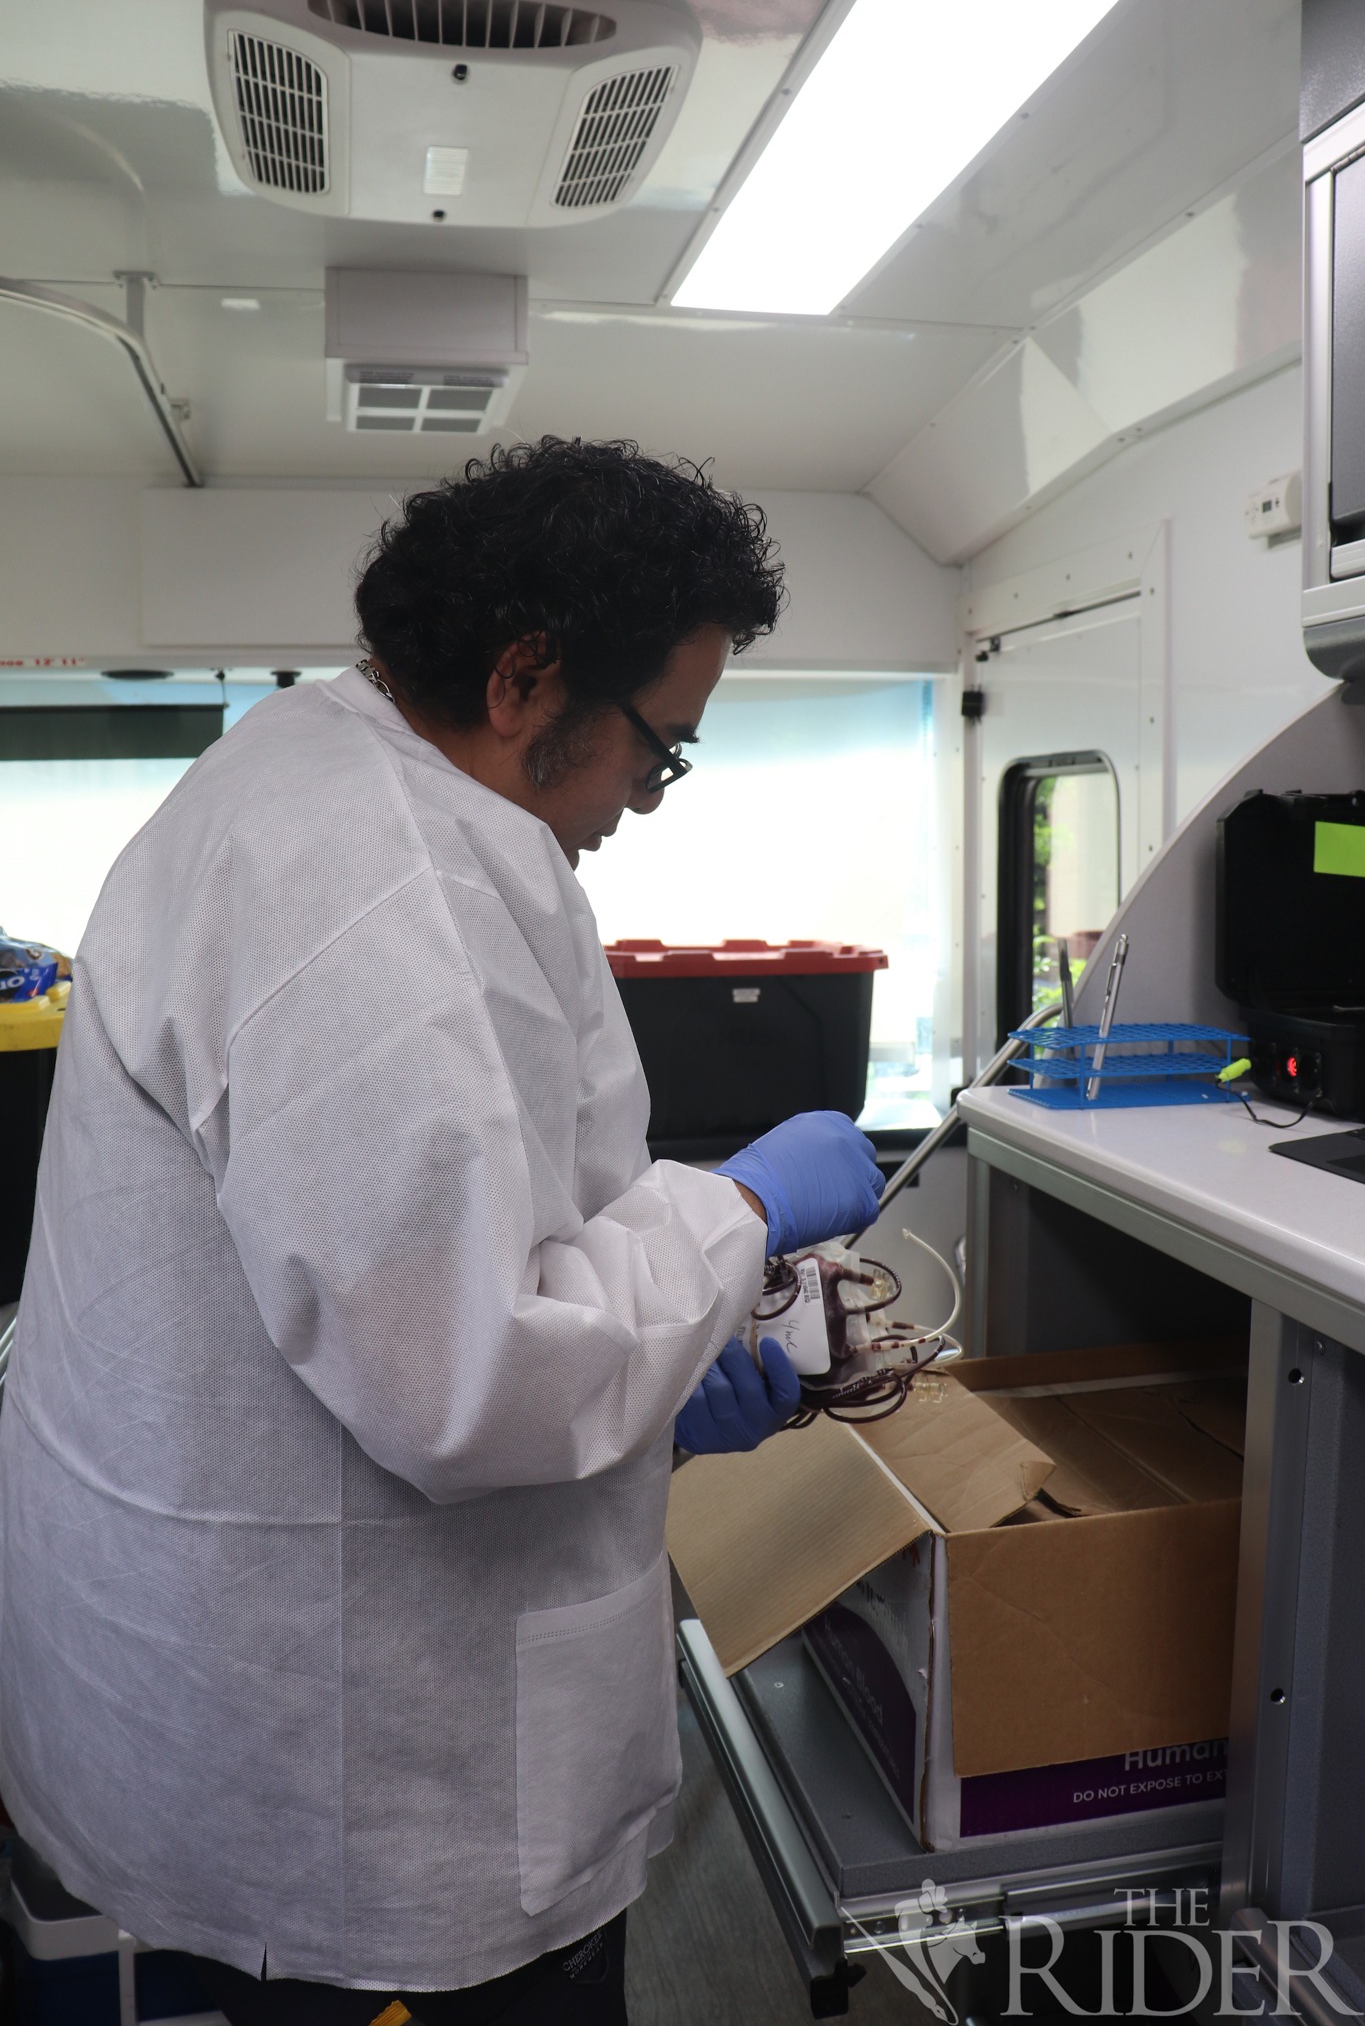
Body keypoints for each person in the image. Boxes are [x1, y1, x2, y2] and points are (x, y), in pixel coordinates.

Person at [0, 438, 883, 2025]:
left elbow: (435, 1244)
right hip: (379, 1796)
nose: (642, 800)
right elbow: (466, 1373)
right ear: (525, 674)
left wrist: (667, 1368)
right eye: (654, 751)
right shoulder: (371, 876)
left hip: (299, 1696)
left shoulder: (328, 785)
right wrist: (738, 1208)